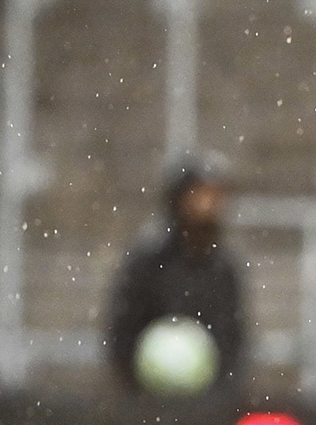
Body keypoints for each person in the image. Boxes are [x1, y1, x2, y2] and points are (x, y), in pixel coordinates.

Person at [104, 155, 248, 394]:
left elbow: (233, 338)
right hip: (148, 400)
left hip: (207, 403)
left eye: (214, 197)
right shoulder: (149, 263)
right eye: (199, 196)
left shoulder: (223, 270)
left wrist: (219, 390)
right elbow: (124, 331)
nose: (207, 206)